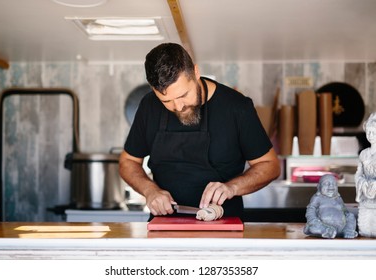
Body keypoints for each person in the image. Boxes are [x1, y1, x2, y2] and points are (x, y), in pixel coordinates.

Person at [119, 42, 281, 220]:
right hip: (164, 228)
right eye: (167, 101)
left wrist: (232, 187)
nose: (178, 107)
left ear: (196, 73)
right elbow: (128, 162)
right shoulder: (149, 106)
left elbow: (270, 165)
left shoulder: (236, 107)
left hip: (223, 226)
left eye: (183, 95)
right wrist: (150, 191)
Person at [304, 174, 357, 239]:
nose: (331, 185)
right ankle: (324, 231)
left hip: (341, 228)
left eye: (334, 184)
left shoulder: (338, 198)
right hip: (322, 226)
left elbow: (345, 211)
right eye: (326, 183)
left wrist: (348, 216)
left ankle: (347, 231)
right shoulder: (318, 198)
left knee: (351, 216)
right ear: (319, 187)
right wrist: (313, 221)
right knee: (313, 227)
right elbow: (311, 210)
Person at [355, 112, 376, 237]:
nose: (371, 135)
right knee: (365, 230)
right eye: (369, 132)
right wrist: (363, 183)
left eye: (374, 132)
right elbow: (358, 174)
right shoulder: (364, 154)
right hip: (366, 198)